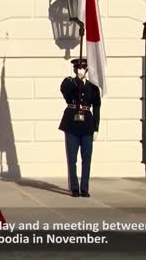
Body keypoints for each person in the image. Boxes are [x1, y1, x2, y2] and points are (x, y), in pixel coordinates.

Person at [58, 58, 101, 198]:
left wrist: (96, 128)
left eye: (83, 69)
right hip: (71, 123)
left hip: (87, 124)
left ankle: (84, 188)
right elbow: (65, 91)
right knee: (72, 158)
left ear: (87, 70)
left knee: (86, 158)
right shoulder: (69, 83)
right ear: (75, 70)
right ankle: (74, 187)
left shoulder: (93, 88)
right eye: (79, 69)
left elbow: (97, 108)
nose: (81, 71)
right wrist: (77, 80)